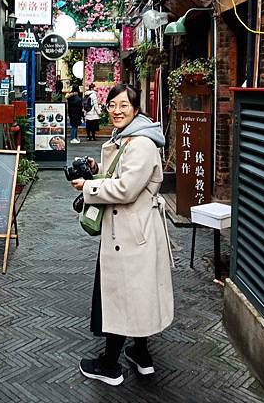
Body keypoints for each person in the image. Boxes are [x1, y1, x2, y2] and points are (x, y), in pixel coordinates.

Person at [71, 83, 174, 386]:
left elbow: (127, 189)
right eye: (112, 105)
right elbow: (123, 174)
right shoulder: (128, 138)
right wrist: (97, 167)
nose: (116, 111)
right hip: (130, 231)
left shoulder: (140, 143)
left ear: (136, 109)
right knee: (138, 294)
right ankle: (140, 356)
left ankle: (109, 365)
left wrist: (88, 187)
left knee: (118, 296)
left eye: (123, 106)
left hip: (131, 233)